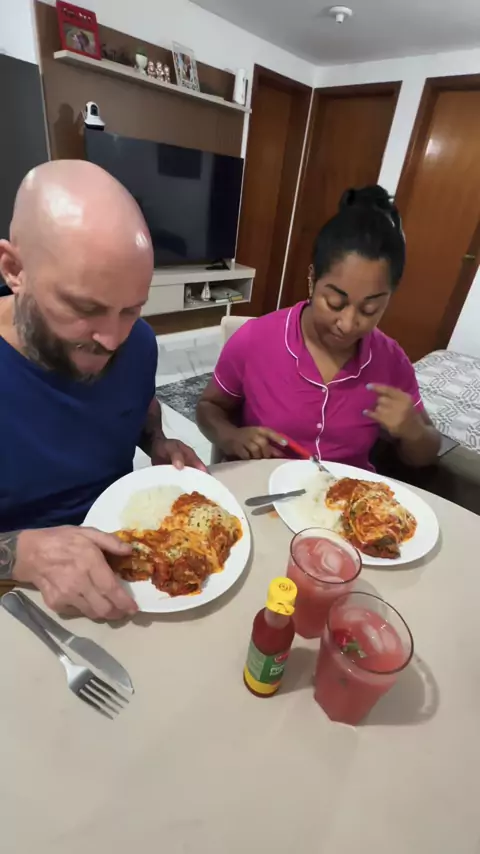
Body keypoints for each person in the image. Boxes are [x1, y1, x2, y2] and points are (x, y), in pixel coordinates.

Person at [0, 160, 205, 620]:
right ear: (14, 269)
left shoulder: (139, 343)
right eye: (86, 308)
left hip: (130, 568)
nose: (112, 340)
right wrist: (22, 554)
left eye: (131, 309)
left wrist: (156, 439)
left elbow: (138, 403)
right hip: (19, 596)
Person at [197, 185, 441, 468]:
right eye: (335, 303)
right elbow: (208, 406)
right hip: (262, 484)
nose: (347, 324)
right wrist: (230, 436)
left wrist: (414, 431)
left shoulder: (391, 360)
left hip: (348, 493)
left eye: (369, 310)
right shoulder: (255, 340)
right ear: (312, 280)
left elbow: (426, 453)